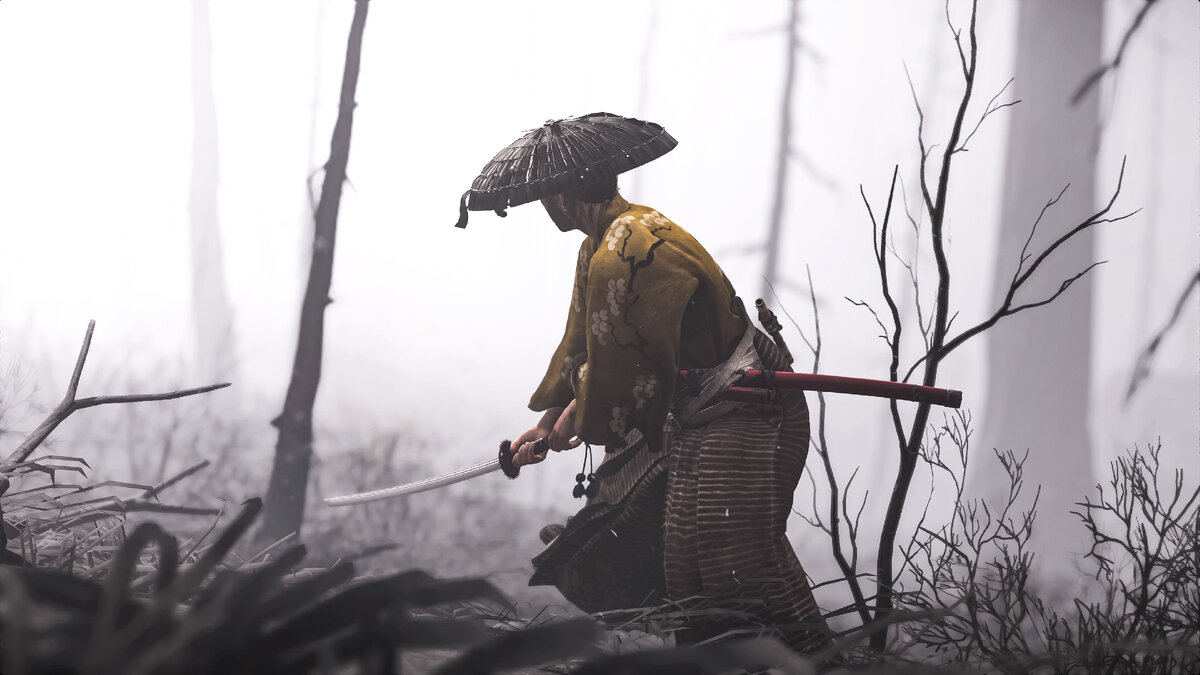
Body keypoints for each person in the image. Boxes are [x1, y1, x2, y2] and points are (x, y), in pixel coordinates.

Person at [507, 176, 832, 654]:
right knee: (683, 559)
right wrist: (548, 419)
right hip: (690, 411)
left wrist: (578, 416)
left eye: (543, 197)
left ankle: (808, 661)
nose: (544, 207)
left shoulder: (626, 247)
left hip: (746, 407)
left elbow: (626, 362)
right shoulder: (597, 248)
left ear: (562, 195)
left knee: (737, 560)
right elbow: (583, 343)